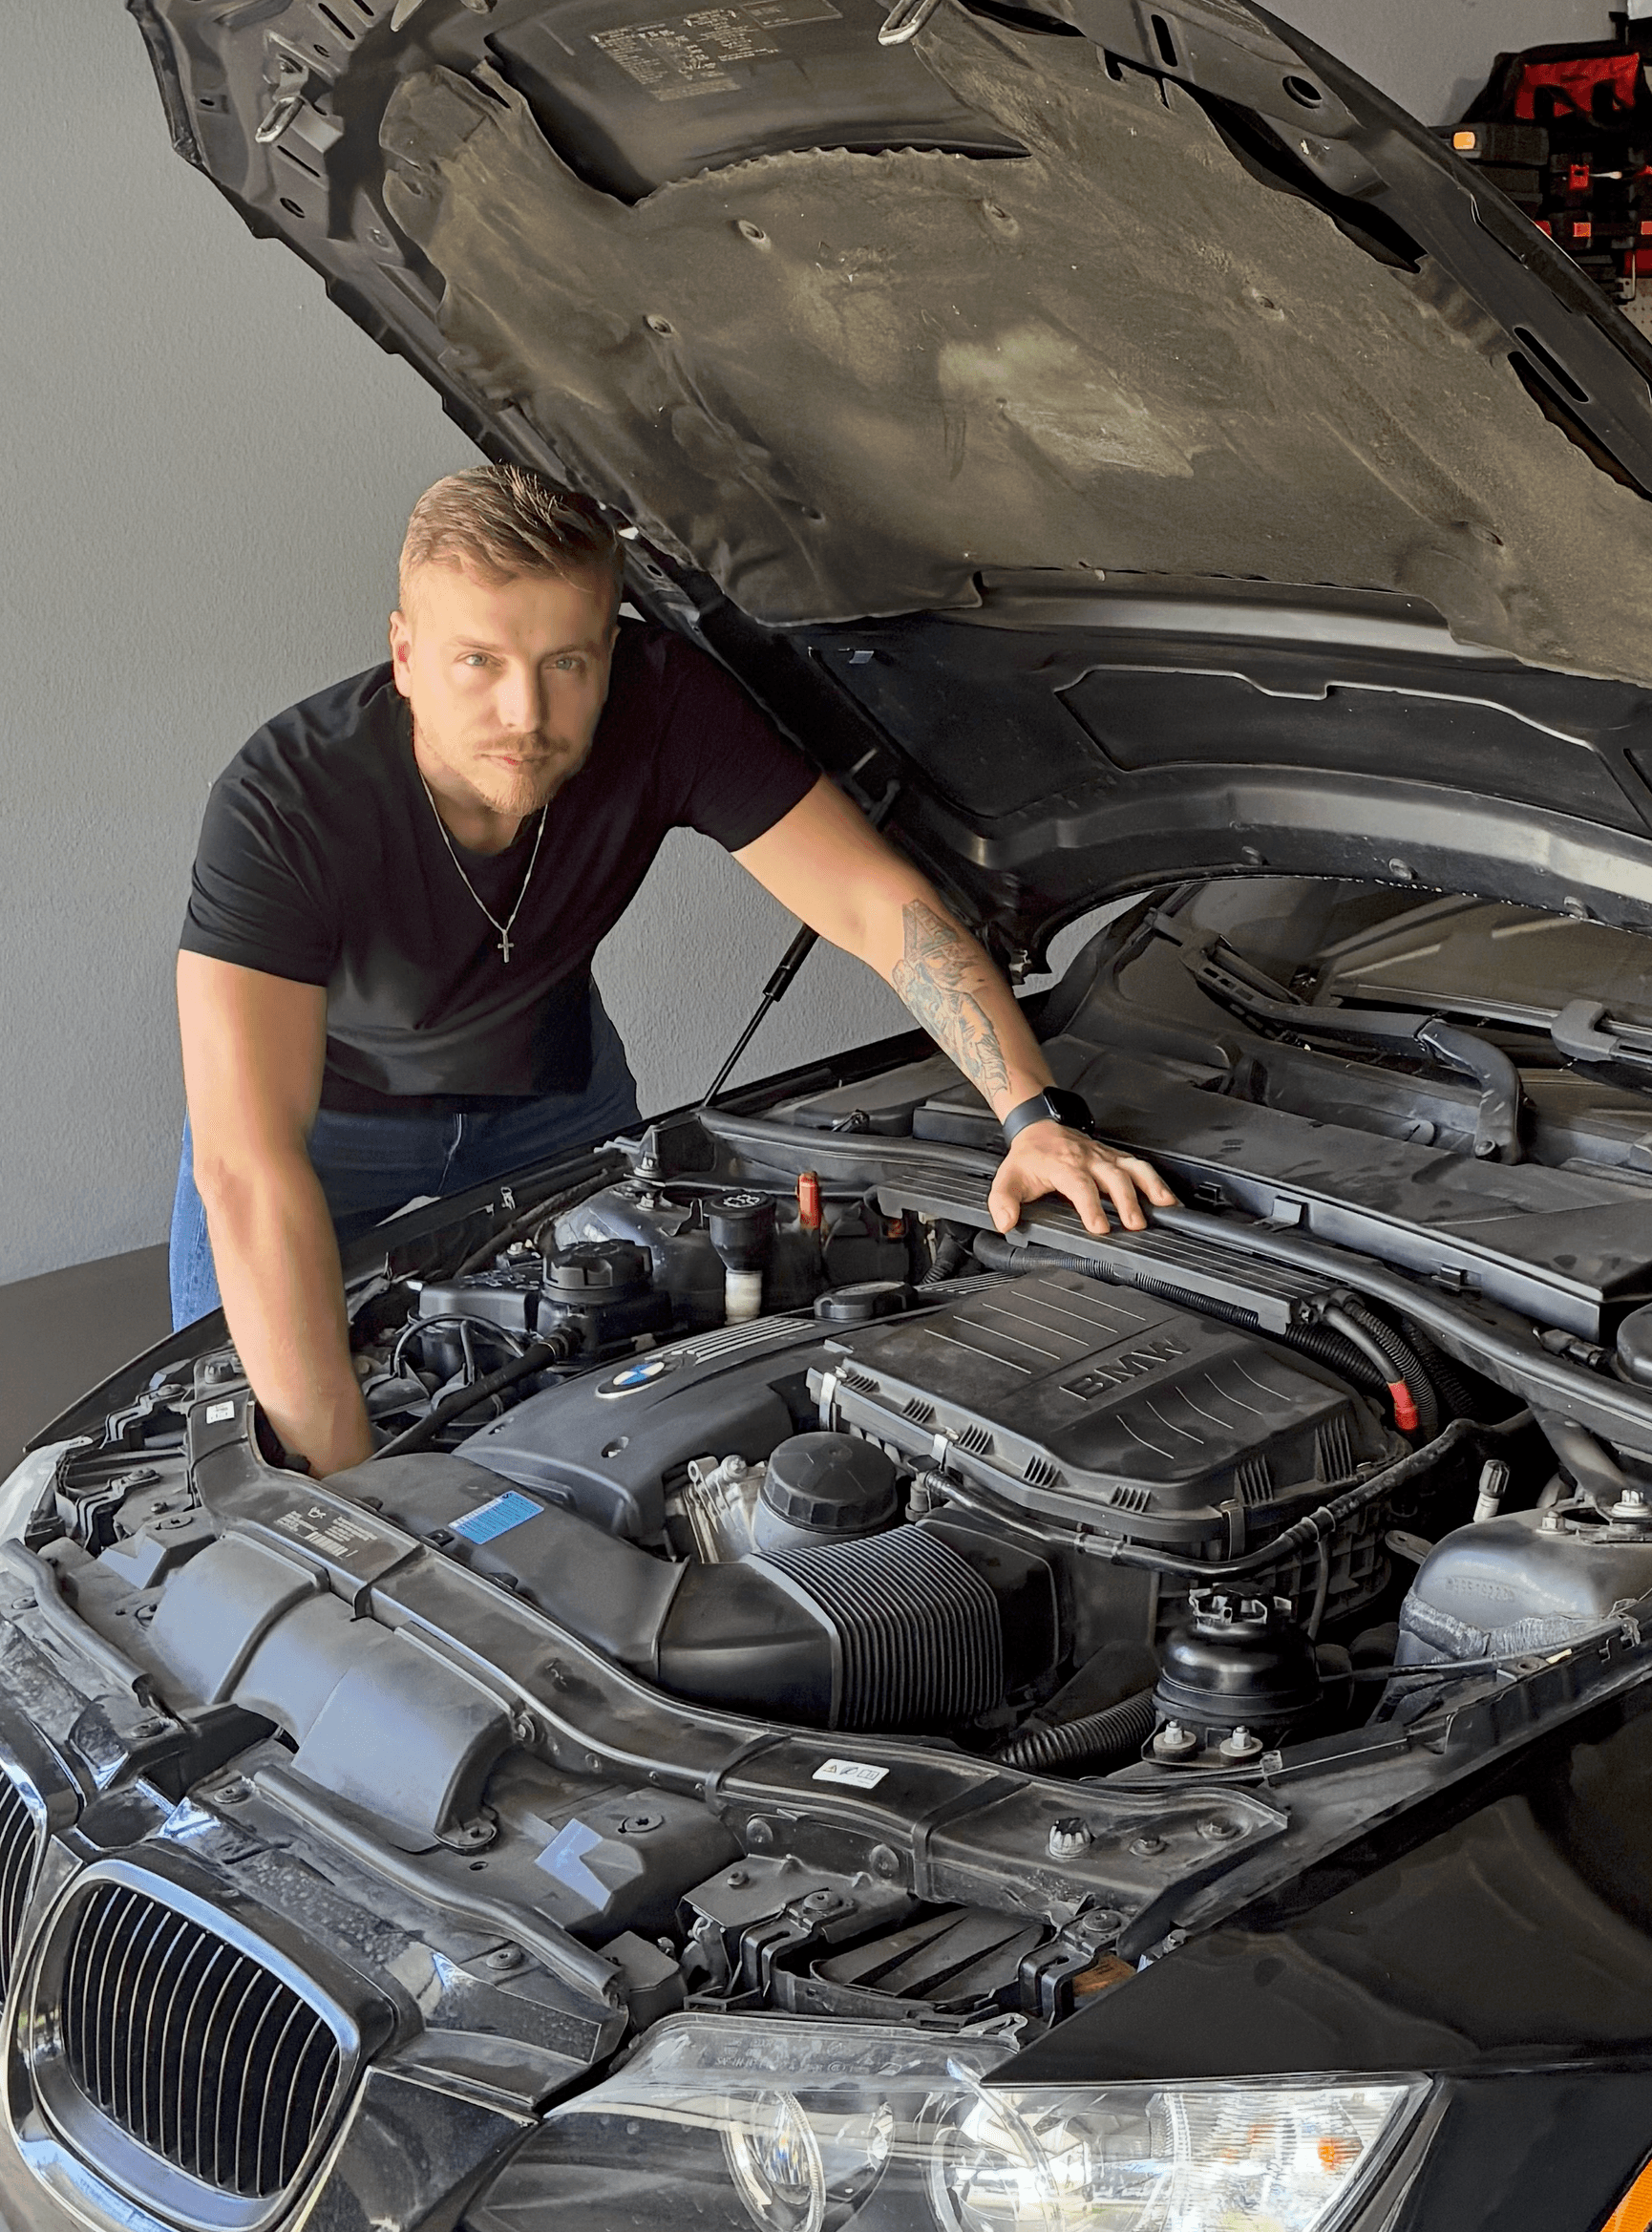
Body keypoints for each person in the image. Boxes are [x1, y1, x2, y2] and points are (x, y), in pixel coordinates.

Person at [172, 465, 1175, 1477]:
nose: (525, 712)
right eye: (478, 660)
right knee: (225, 1424)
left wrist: (1032, 1118)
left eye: (566, 662)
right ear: (404, 654)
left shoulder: (663, 706)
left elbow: (878, 905)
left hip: (551, 1098)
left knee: (610, 1405)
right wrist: (349, 1494)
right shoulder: (284, 800)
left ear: (612, 650)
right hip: (327, 1129)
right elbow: (249, 1162)